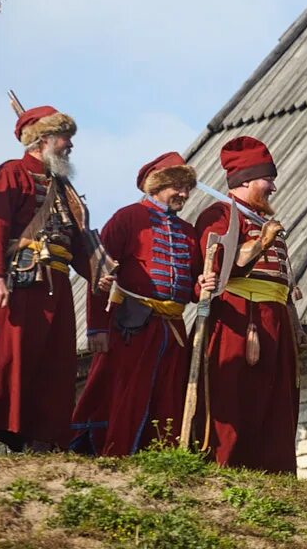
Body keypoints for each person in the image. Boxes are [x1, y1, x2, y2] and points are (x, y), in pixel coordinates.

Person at [0, 105, 110, 451]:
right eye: (65, 137)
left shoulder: (65, 191)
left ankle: (41, 438)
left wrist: (99, 275)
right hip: (21, 281)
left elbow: (76, 244)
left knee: (53, 365)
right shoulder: (12, 173)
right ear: (44, 139)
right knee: (4, 358)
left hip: (58, 285)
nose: (70, 145)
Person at [71, 152, 203, 455]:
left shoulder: (187, 232)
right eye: (176, 186)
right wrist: (97, 329)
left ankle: (162, 456)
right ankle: (117, 452)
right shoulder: (127, 218)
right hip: (132, 324)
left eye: (187, 188)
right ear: (156, 186)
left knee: (168, 394)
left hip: (173, 328)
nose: (183, 194)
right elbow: (98, 273)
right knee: (127, 391)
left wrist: (204, 284)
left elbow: (193, 287)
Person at [191, 136, 307, 472]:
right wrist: (262, 243)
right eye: (266, 180)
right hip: (240, 317)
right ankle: (225, 467)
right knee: (235, 396)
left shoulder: (262, 220)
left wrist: (295, 325)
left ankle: (273, 472)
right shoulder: (219, 215)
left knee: (275, 401)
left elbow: (282, 283)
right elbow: (220, 264)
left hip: (276, 319)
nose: (272, 187)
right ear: (245, 181)